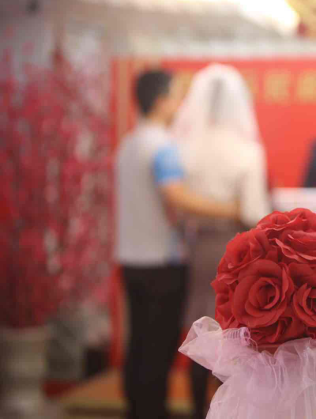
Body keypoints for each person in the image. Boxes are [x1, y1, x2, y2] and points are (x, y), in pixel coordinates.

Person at [115, 69, 238, 419]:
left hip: (131, 257)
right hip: (162, 261)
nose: (180, 104)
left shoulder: (129, 143)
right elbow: (177, 197)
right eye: (175, 96)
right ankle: (152, 411)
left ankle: (136, 409)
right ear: (160, 101)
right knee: (158, 346)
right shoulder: (163, 146)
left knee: (138, 342)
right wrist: (232, 209)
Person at [172, 64, 271, 419]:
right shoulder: (247, 150)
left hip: (195, 246)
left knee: (200, 329)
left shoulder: (183, 147)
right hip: (235, 249)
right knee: (231, 333)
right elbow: (255, 211)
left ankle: (196, 409)